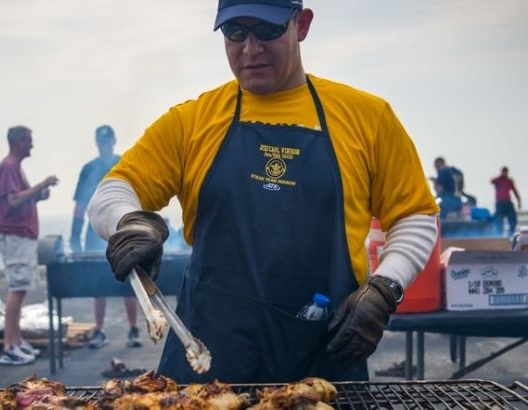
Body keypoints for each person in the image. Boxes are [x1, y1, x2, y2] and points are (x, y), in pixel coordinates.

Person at [88, 0, 439, 383]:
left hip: (322, 359)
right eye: (235, 32)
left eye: (267, 30)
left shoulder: (367, 118)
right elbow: (111, 193)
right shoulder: (192, 122)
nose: (250, 49)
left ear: (301, 25)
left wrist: (387, 285)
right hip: (207, 360)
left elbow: (416, 216)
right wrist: (131, 224)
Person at [0, 125, 59, 365]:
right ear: (19, 141)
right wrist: (41, 185)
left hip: (21, 236)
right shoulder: (9, 166)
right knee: (17, 289)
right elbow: (13, 200)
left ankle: (16, 341)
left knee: (21, 288)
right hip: (15, 236)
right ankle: (9, 345)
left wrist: (39, 195)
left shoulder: (14, 167)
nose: (32, 145)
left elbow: (19, 198)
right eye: (29, 140)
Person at [70, 125, 141, 349]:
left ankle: (133, 329)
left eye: (108, 141)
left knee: (130, 280)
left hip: (121, 229)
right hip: (94, 234)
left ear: (114, 140)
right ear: (97, 143)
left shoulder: (124, 164)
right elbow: (80, 204)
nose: (105, 145)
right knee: (97, 284)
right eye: (101, 142)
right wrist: (74, 235)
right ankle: (99, 331)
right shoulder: (89, 169)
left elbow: (138, 195)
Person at [491, 166, 522, 235]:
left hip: (507, 202)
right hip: (499, 203)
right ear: (502, 172)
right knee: (499, 221)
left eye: (506, 172)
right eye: (504, 172)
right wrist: (501, 177)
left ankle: (511, 234)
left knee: (512, 219)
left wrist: (519, 201)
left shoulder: (509, 181)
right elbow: (491, 181)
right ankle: (499, 236)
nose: (505, 173)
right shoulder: (498, 180)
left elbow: (515, 191)